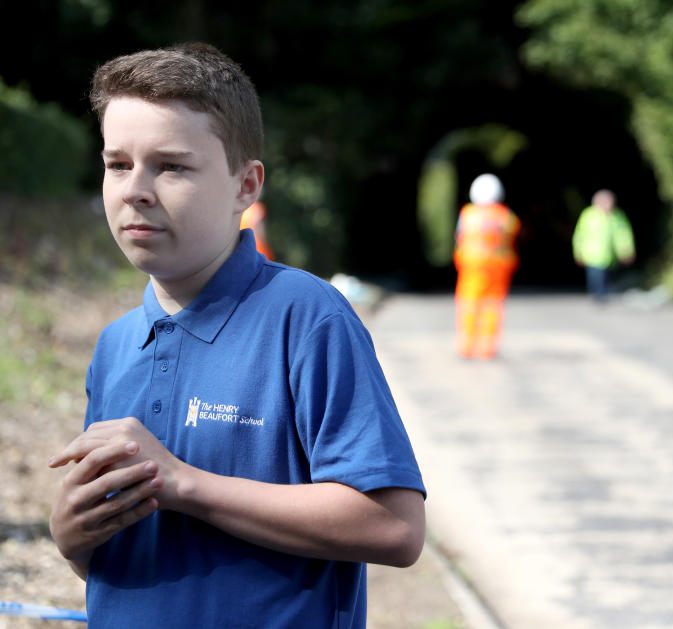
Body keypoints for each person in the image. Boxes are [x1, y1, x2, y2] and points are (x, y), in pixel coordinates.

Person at [47, 43, 425, 629]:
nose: (135, 190)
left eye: (171, 165)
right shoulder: (114, 346)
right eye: (118, 164)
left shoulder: (306, 317)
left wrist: (185, 484)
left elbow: (395, 527)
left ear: (246, 186)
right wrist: (73, 539)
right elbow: (127, 551)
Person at [453, 173, 520, 359]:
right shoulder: (506, 216)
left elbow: (459, 237)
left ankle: (466, 346)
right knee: (492, 306)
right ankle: (487, 348)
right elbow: (513, 235)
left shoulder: (468, 213)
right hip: (499, 267)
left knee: (468, 303)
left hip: (472, 266)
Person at [572, 189, 636, 301]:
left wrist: (627, 251)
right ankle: (598, 296)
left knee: (608, 279)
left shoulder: (617, 216)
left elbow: (624, 235)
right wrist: (578, 252)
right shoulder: (588, 215)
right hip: (592, 256)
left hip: (611, 257)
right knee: (596, 278)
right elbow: (579, 235)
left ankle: (605, 296)